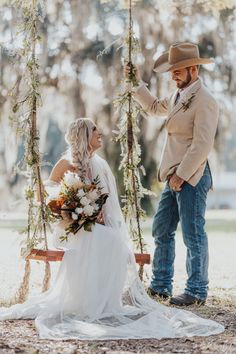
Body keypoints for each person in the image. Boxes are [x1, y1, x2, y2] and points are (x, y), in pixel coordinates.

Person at [0, 118, 223, 339]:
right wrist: (70, 211)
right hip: (74, 228)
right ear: (84, 135)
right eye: (95, 129)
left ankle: (104, 301)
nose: (100, 132)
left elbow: (107, 204)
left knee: (114, 240)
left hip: (95, 226)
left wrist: (99, 216)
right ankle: (90, 300)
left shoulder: (99, 164)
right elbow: (47, 196)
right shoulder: (65, 164)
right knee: (105, 240)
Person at [124, 42, 219, 306]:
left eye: (178, 70)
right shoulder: (178, 96)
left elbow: (202, 144)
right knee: (162, 229)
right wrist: (135, 82)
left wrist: (182, 175)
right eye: (172, 70)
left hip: (192, 176)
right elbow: (154, 107)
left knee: (193, 234)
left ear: (194, 70)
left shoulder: (206, 101)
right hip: (172, 176)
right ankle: (160, 286)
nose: (173, 74)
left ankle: (197, 290)